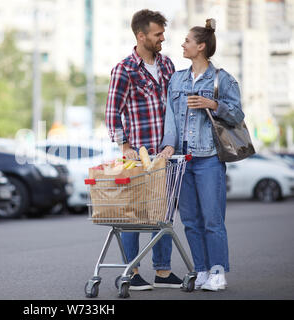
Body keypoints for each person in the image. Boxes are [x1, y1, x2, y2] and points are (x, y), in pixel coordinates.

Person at [160, 19, 244, 291]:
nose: (182, 44)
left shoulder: (222, 78)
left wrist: (213, 104)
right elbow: (170, 117)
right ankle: (202, 270)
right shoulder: (177, 79)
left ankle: (218, 271)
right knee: (191, 222)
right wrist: (168, 145)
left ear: (201, 46)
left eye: (187, 40)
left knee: (212, 219)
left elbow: (237, 114)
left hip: (209, 158)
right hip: (182, 161)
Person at [105, 9, 183, 291]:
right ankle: (132, 271)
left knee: (163, 213)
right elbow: (112, 112)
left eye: (163, 33)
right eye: (158, 34)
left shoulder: (167, 65)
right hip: (137, 155)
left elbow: (174, 107)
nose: (163, 38)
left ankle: (163, 272)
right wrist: (124, 145)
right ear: (141, 36)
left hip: (165, 154)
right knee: (135, 215)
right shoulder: (124, 69)